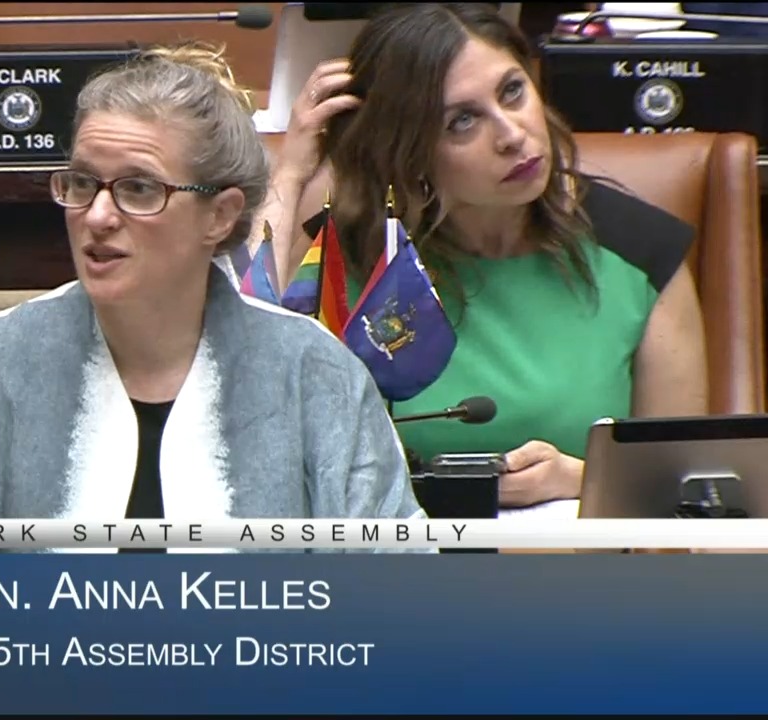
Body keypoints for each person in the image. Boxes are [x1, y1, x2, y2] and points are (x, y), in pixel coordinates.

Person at [0, 43, 427, 552]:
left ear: (220, 216)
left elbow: (392, 595)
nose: (97, 215)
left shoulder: (316, 375)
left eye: (139, 188)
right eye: (82, 183)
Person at [247, 3, 707, 508]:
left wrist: (582, 479)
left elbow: (684, 490)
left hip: (570, 553)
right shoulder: (352, 254)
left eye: (512, 92)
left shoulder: (640, 251)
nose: (512, 135)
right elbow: (238, 372)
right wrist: (291, 172)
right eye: (462, 121)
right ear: (408, 151)